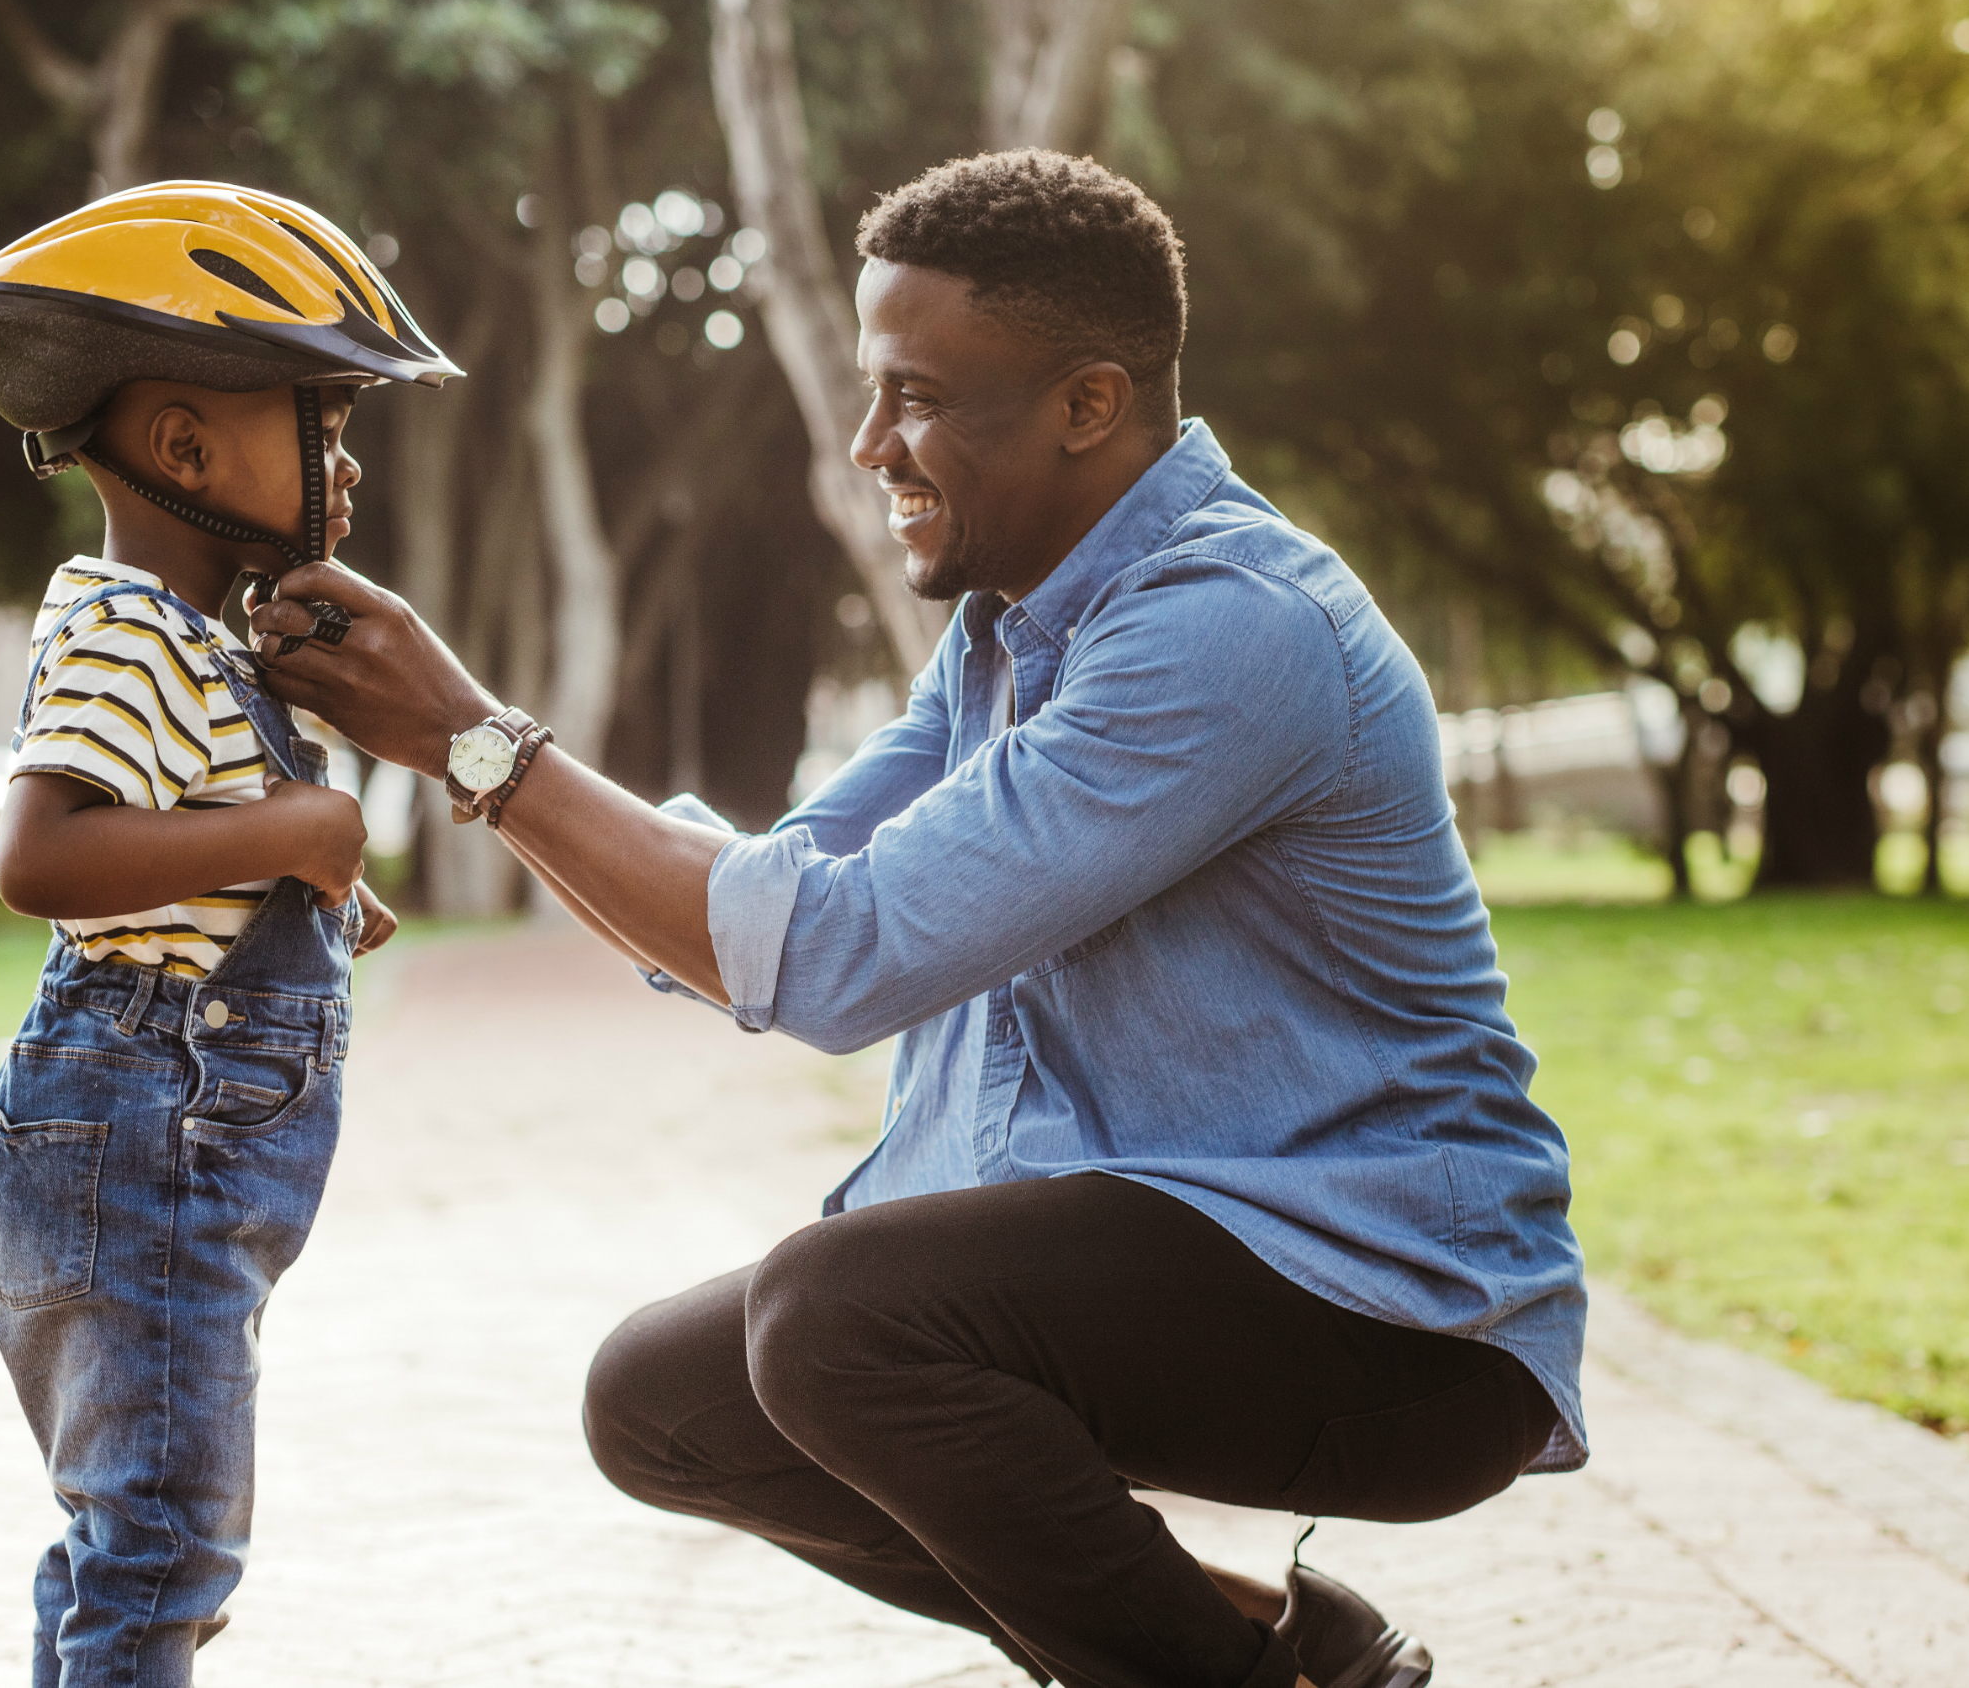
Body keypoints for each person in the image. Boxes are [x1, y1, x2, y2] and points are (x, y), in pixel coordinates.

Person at [247, 150, 1588, 1688]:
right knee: (660, 1400)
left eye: (921, 397)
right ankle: (1264, 1647)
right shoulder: (1007, 636)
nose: (873, 444)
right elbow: (773, 898)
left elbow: (827, 961)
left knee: (838, 1320)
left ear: (1089, 405)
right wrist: (467, 758)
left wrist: (473, 743)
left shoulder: (1230, 628)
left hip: (1391, 1315)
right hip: (1177, 1266)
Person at [0, 179, 459, 1688]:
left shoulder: (198, 639)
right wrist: (295, 833)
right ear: (182, 444)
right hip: (140, 1136)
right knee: (162, 1546)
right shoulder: (122, 625)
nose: (347, 469)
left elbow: (175, 854)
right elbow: (43, 856)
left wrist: (311, 882)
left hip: (168, 1149)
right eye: (329, 428)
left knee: (135, 1537)